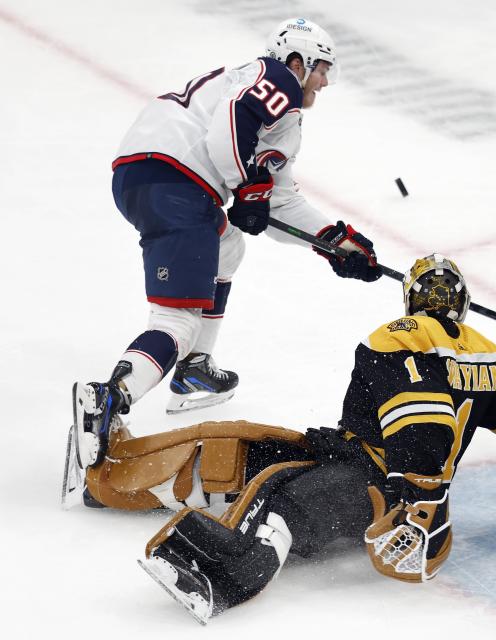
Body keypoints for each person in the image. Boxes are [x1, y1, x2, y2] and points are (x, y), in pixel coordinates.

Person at [126, 253, 496, 623]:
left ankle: (220, 573)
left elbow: (418, 417)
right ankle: (113, 476)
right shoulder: (490, 358)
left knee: (278, 493)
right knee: (247, 447)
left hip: (381, 489)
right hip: (386, 481)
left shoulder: (398, 336)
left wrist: (422, 498)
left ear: (411, 299)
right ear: (462, 305)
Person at [71, 18, 382, 469]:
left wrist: (335, 242)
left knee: (229, 245)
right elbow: (231, 129)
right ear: (299, 60)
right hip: (178, 182)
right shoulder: (278, 80)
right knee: (177, 322)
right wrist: (246, 183)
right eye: (322, 69)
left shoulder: (265, 99)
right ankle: (109, 399)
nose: (325, 81)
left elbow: (277, 199)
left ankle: (196, 370)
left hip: (146, 176)